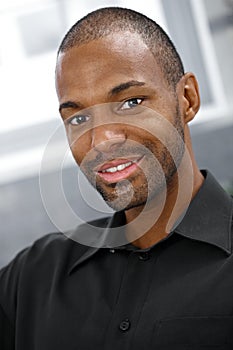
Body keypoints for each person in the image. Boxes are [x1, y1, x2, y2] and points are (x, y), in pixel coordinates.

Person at [0, 6, 233, 349]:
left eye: (131, 102)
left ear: (187, 99)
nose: (101, 140)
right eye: (78, 119)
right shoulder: (31, 279)